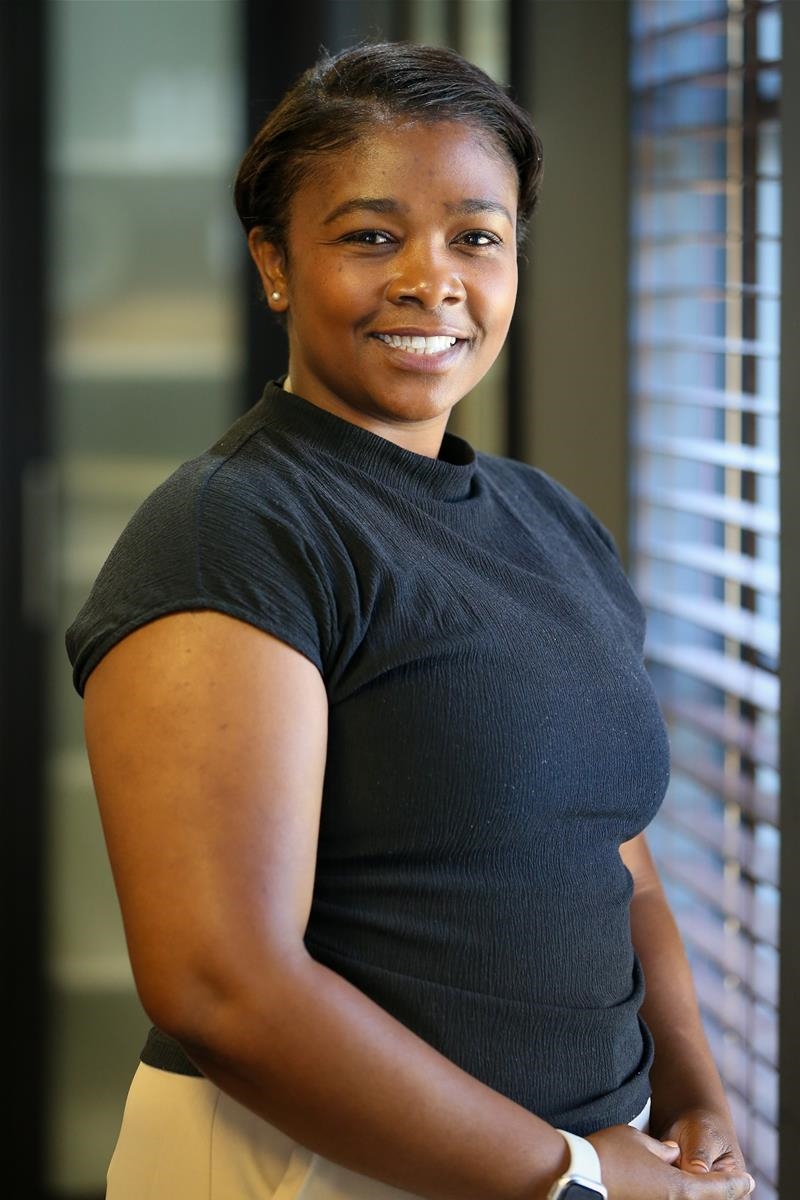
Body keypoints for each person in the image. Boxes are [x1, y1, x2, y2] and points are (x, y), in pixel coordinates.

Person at [66, 41, 755, 1200]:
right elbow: (219, 987)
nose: (430, 281)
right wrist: (567, 1174)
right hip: (311, 1167)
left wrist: (695, 1095)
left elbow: (617, 864)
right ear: (274, 264)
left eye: (474, 238)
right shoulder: (234, 528)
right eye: (370, 237)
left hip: (575, 1165)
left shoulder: (549, 521)